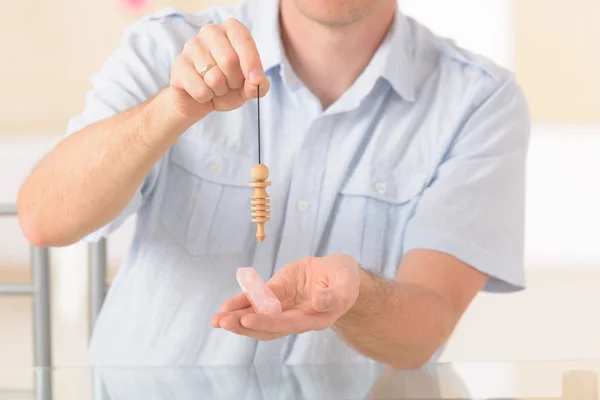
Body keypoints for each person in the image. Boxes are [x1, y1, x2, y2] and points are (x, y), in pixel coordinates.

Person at [17, 0, 530, 367]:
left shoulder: (479, 102)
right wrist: (168, 110)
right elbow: (44, 220)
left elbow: (424, 331)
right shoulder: (166, 46)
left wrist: (357, 297)